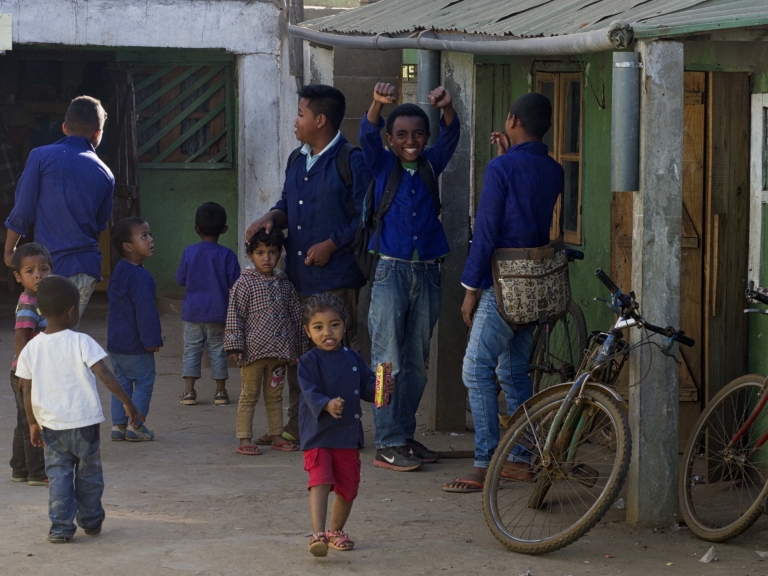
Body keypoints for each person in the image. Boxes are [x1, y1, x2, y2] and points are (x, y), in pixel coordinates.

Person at [444, 93, 564, 493]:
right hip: (536, 284)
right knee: (513, 373)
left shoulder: (502, 168)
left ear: (512, 120)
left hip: (501, 282)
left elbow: (487, 232)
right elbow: (526, 209)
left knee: (475, 369)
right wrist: (506, 155)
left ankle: (485, 461)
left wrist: (470, 288)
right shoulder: (553, 169)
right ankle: (521, 459)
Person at [246, 84, 371, 444]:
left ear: (320, 120)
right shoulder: (296, 159)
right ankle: (299, 424)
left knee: (336, 356)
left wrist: (332, 244)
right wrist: (271, 216)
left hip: (336, 280)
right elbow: (287, 203)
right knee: (301, 355)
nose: (295, 121)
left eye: (300, 114)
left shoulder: (351, 160)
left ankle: (343, 429)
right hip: (299, 278)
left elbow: (366, 217)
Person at [359, 82, 460, 471]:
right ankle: (386, 441)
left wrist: (447, 108)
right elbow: (366, 135)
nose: (411, 141)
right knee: (387, 363)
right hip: (390, 272)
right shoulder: (383, 164)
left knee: (416, 363)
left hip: (428, 272)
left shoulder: (432, 163)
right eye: (401, 135)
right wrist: (376, 104)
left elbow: (452, 135)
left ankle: (402, 434)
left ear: (426, 137)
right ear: (390, 140)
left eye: (418, 134)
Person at [16, 275, 143, 543]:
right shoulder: (81, 341)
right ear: (71, 311)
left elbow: (25, 390)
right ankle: (91, 520)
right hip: (84, 424)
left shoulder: (31, 348)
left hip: (51, 426)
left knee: (58, 476)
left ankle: (61, 528)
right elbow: (104, 374)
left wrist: (32, 423)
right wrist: (127, 401)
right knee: (89, 474)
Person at [298, 293, 392, 557]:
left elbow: (367, 386)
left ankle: (335, 531)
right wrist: (327, 404)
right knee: (320, 481)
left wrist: (382, 387)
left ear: (344, 325)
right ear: (308, 331)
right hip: (318, 435)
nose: (327, 332)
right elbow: (309, 392)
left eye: (334, 325)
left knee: (348, 488)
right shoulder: (308, 362)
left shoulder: (353, 359)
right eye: (318, 327)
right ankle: (318, 534)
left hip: (348, 436)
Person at [3, 96, 114, 320]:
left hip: (46, 269)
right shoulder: (105, 173)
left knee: (41, 335)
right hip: (85, 269)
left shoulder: (40, 156)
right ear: (98, 134)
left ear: (64, 128)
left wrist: (9, 251)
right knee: (65, 336)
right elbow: (99, 227)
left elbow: (23, 211)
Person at [225, 229, 304, 455]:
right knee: (249, 395)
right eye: (260, 253)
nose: (266, 258)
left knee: (275, 396)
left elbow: (296, 318)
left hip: (279, 354)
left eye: (272, 252)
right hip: (253, 353)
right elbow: (235, 315)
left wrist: (300, 348)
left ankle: (276, 435)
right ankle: (244, 438)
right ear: (250, 255)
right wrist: (234, 344)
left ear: (280, 253)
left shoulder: (285, 285)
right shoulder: (244, 284)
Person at [176, 202, 241, 406]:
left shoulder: (189, 252)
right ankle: (220, 393)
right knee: (218, 352)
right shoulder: (227, 254)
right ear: (224, 229)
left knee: (191, 352)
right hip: (219, 314)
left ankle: (189, 392)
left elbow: (181, 279)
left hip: (193, 314)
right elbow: (236, 283)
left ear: (196, 229)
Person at [107, 217, 163, 442]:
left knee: (121, 384)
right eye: (144, 236)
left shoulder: (119, 270)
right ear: (128, 247)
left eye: (150, 235)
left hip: (116, 343)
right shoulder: (141, 277)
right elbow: (145, 312)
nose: (151, 240)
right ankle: (136, 426)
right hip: (136, 344)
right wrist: (152, 339)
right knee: (143, 382)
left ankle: (118, 426)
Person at [8, 243, 52, 486]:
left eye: (43, 269)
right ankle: (37, 472)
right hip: (27, 373)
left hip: (30, 371)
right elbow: (21, 338)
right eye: (30, 271)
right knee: (33, 422)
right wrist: (25, 373)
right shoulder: (29, 303)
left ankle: (20, 468)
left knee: (24, 421)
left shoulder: (40, 299)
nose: (38, 275)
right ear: (18, 277)